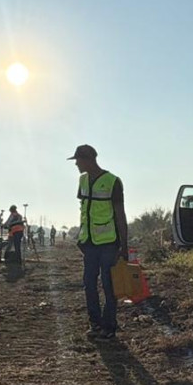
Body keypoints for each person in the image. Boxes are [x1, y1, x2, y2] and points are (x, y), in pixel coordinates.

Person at [70, 144, 128, 340]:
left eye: (78, 160)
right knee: (89, 283)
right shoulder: (83, 180)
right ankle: (95, 324)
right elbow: (84, 211)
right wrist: (81, 237)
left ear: (88, 160)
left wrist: (124, 245)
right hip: (89, 244)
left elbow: (120, 214)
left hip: (109, 243)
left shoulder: (113, 182)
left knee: (108, 284)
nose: (76, 164)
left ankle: (109, 327)